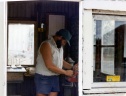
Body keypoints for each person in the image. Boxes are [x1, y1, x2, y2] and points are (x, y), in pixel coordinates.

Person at [34, 29, 74, 96]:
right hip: (43, 77)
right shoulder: (46, 45)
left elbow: (61, 61)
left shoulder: (60, 47)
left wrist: (72, 67)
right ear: (60, 37)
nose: (64, 44)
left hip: (55, 77)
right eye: (64, 42)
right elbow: (49, 65)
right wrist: (66, 72)